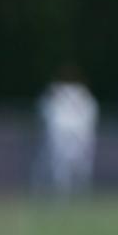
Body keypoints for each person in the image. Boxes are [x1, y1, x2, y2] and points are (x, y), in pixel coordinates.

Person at [34, 63, 99, 195]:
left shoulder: (80, 94)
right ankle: (64, 191)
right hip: (67, 133)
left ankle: (72, 191)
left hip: (71, 133)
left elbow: (45, 113)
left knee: (69, 164)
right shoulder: (58, 92)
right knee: (62, 164)